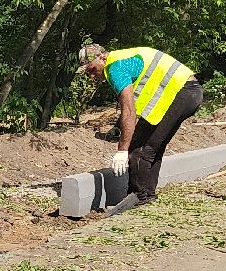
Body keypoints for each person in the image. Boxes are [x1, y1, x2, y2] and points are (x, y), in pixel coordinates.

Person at [78, 43, 205, 215]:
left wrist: (122, 150)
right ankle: (146, 196)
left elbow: (129, 110)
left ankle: (139, 198)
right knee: (152, 147)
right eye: (87, 73)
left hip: (181, 94)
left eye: (91, 69)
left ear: (102, 58)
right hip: (187, 93)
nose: (91, 76)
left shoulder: (115, 68)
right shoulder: (122, 58)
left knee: (139, 150)